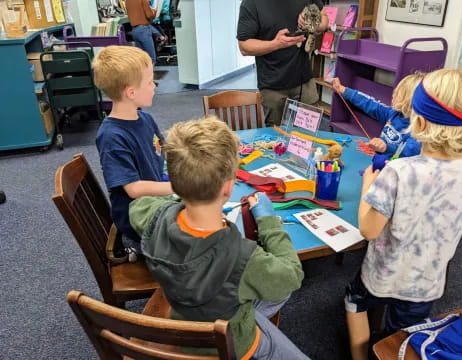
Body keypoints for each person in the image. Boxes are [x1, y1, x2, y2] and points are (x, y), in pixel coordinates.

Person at [129, 117, 308, 359]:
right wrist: (268, 221)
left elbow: (138, 205)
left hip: (187, 326)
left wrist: (182, 200)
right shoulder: (244, 259)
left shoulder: (153, 218)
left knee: (253, 287)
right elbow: (292, 275)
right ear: (228, 187)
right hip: (235, 343)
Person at [345, 68, 462, 360]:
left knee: (354, 302)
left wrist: (369, 184)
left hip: (382, 275)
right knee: (404, 334)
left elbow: (368, 230)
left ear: (418, 121)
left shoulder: (398, 172)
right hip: (427, 283)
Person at [92, 46, 173, 257]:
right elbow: (134, 189)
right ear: (131, 92)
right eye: (149, 82)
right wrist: (179, 188)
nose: (154, 86)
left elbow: (165, 152)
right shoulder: (111, 136)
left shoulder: (145, 119)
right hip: (138, 224)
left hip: (157, 202)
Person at [237, 0, 328, 127]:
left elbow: (324, 17)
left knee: (308, 133)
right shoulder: (251, 3)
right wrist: (276, 44)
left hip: (304, 80)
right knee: (275, 138)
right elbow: (244, 46)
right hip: (272, 85)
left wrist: (314, 25)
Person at [332, 73, 424, 163]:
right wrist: (342, 89)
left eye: (398, 94)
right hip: (377, 162)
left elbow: (408, 154)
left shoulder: (417, 132)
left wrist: (386, 147)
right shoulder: (393, 113)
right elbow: (369, 103)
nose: (393, 96)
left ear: (411, 102)